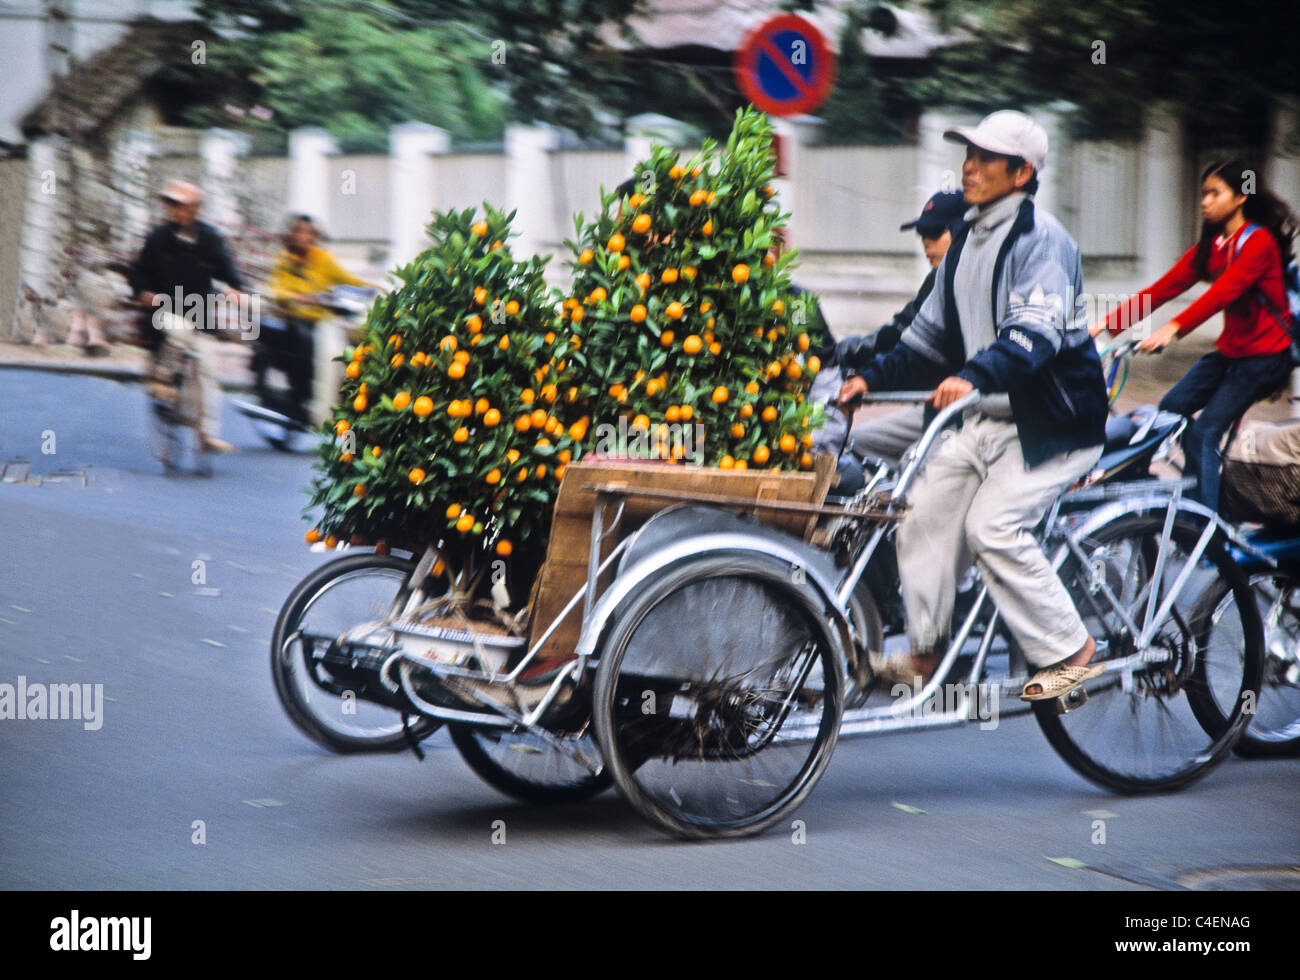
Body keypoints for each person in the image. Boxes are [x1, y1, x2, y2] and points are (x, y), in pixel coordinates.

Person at [838, 110, 1109, 702]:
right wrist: (870, 378)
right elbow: (926, 339)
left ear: (1021, 173)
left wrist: (972, 375)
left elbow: (1032, 337)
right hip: (989, 419)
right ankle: (927, 652)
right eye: (969, 155)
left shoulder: (1043, 241)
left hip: (1052, 424)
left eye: (986, 159)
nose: (970, 167)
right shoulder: (964, 241)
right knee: (918, 518)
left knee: (993, 528)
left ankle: (1074, 652)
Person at [1090, 159, 1297, 511]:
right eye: (1204, 194)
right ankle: (1198, 488)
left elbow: (1224, 292)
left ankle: (1205, 526)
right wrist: (1105, 326)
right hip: (1232, 353)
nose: (1204, 201)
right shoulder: (1214, 246)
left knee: (1205, 431)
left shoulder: (1258, 243)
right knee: (1170, 411)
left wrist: (1173, 328)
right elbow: (1162, 289)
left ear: (1240, 198)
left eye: (1214, 193)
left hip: (1265, 358)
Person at [822, 190, 968, 467]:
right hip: (936, 409)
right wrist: (842, 359)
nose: (926, 244)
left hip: (973, 416)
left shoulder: (967, 278)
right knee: (849, 444)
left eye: (934, 234)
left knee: (920, 471)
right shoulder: (939, 281)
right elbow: (901, 334)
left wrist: (866, 373)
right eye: (922, 236)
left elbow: (910, 348)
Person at [128, 180, 244, 454]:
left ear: (195, 208)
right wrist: (144, 293)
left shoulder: (210, 238)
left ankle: (207, 434)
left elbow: (227, 269)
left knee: (207, 369)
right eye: (172, 205)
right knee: (178, 329)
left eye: (182, 205)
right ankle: (161, 378)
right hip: (163, 312)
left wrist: (235, 289)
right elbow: (138, 272)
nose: (177, 211)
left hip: (200, 314)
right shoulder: (158, 238)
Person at [265, 215, 375, 423]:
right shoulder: (284, 260)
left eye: (310, 233)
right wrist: (298, 298)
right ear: (292, 235)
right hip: (295, 318)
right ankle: (304, 402)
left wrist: (375, 288)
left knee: (340, 351)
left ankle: (337, 402)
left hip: (323, 319)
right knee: (307, 345)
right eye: (301, 232)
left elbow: (348, 279)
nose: (306, 237)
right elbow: (276, 291)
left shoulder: (322, 259)